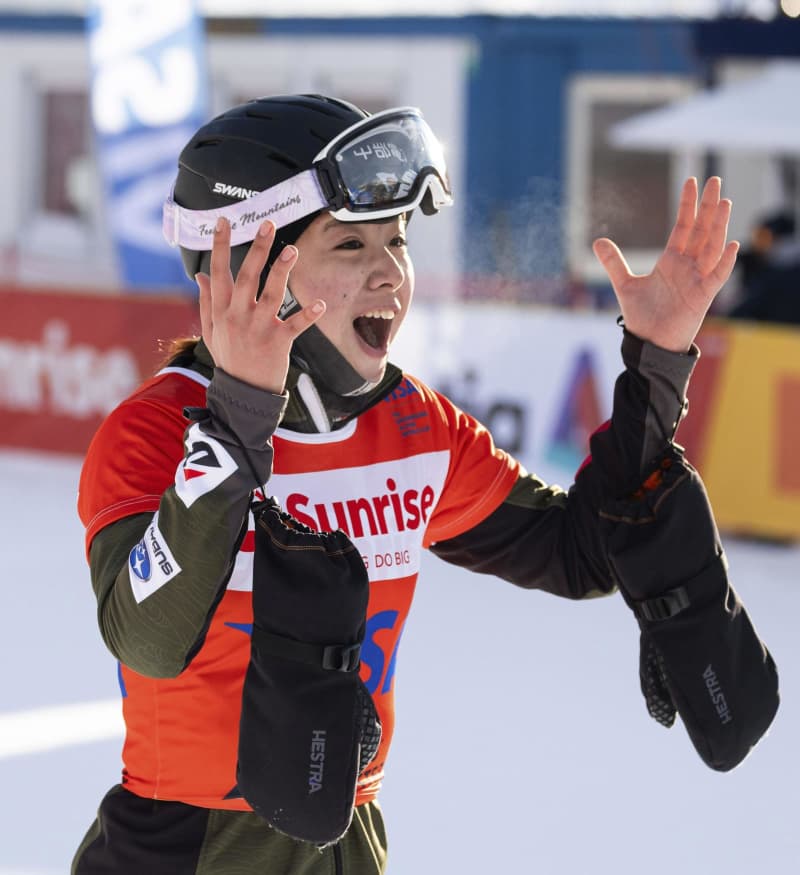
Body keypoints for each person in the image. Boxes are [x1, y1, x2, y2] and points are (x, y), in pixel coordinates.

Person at [72, 94, 778, 874]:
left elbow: (580, 552)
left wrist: (654, 366)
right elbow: (147, 638)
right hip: (185, 852)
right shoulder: (156, 431)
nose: (391, 274)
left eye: (398, 240)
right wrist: (238, 419)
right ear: (249, 266)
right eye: (349, 245)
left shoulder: (413, 427)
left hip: (346, 838)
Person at [728, 210, 800, 324]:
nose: (759, 245)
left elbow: (746, 307)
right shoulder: (753, 261)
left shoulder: (774, 275)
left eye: (764, 238)